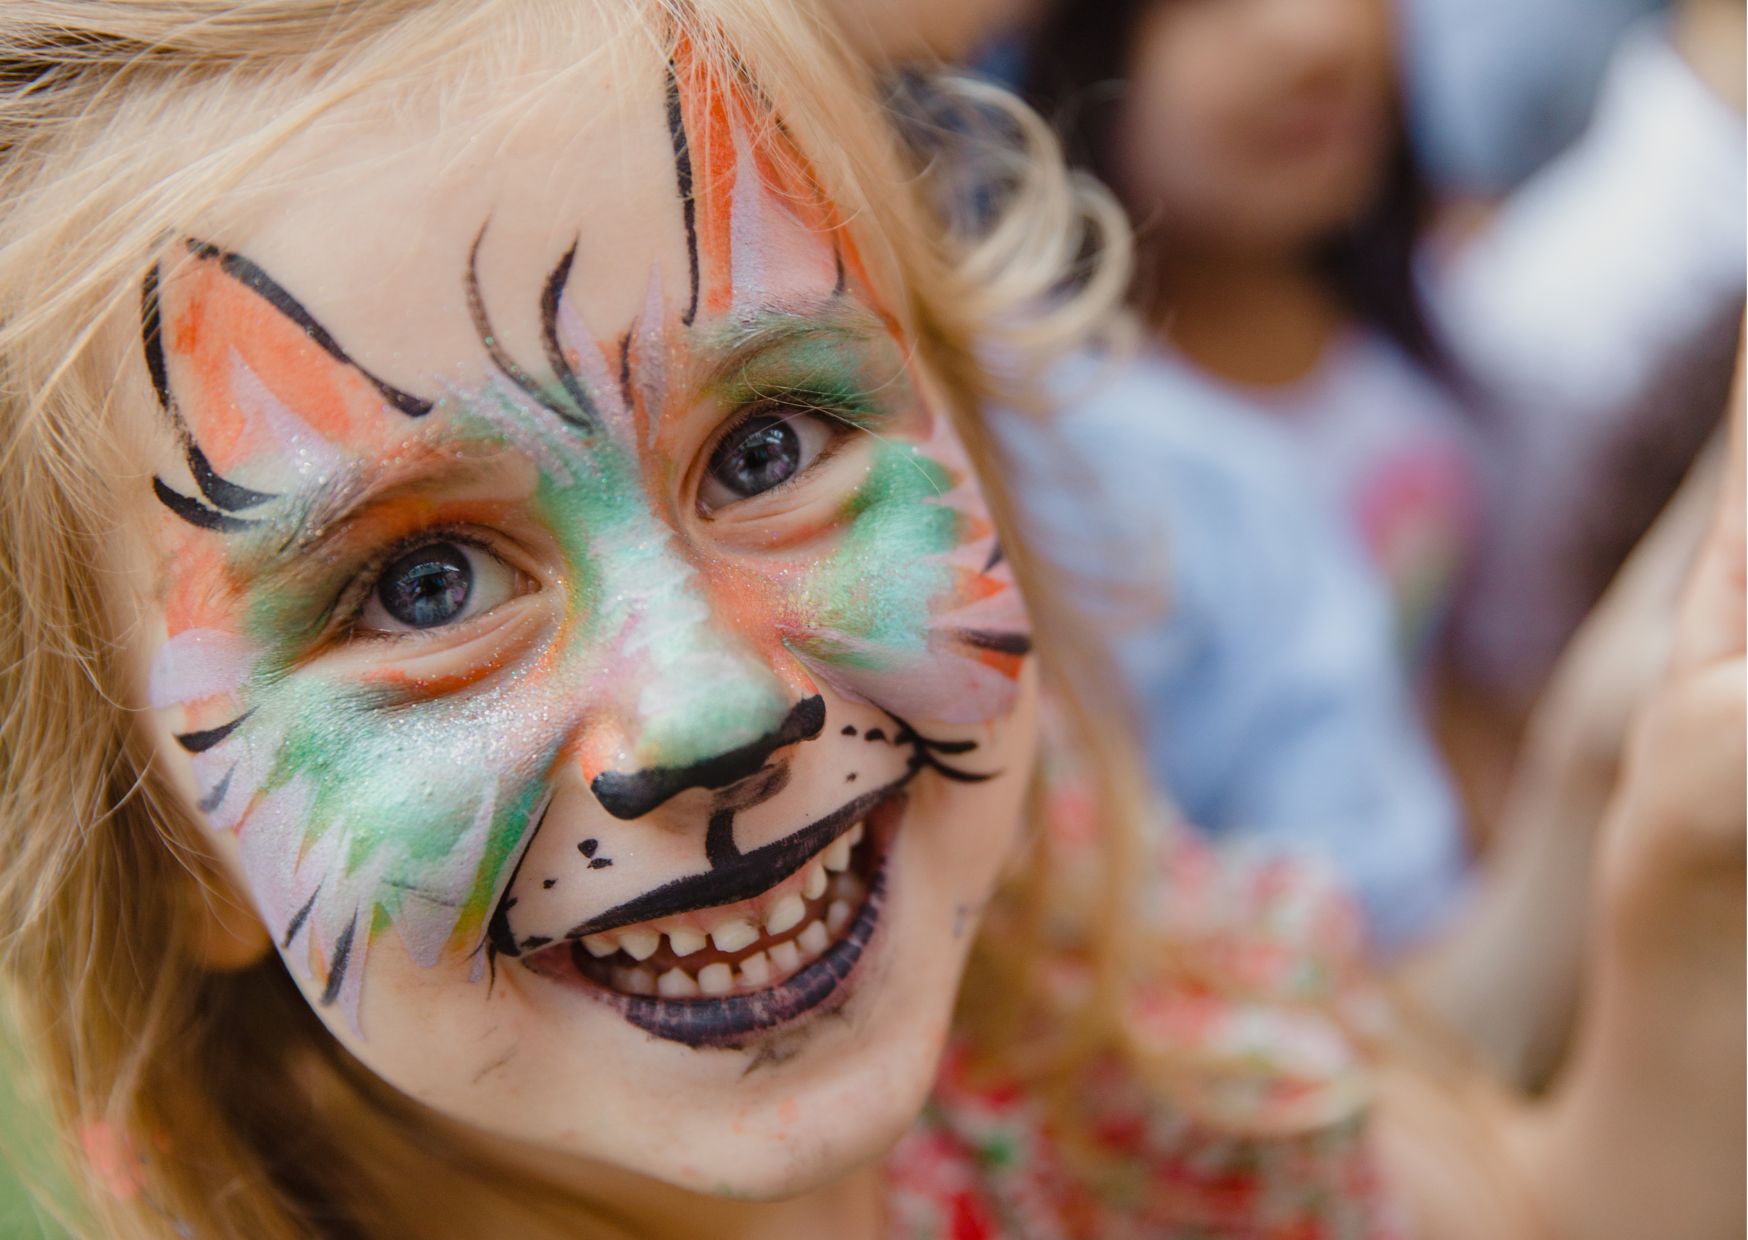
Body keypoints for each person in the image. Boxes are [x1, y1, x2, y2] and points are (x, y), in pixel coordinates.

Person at [0, 3, 1740, 1238]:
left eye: (767, 447)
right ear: (164, 841)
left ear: (967, 431)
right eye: (419, 587)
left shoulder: (1064, 1014)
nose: (705, 712)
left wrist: (1685, 883)